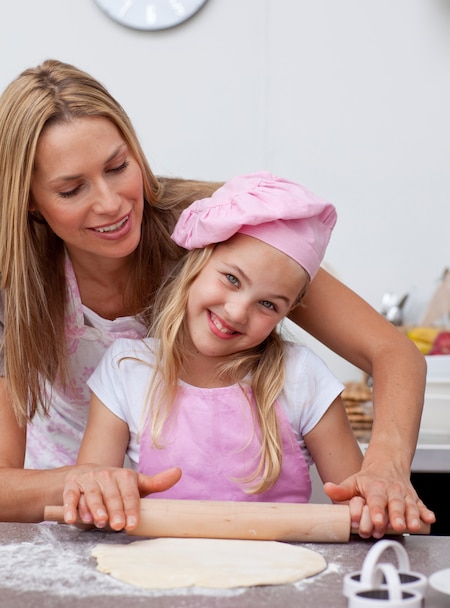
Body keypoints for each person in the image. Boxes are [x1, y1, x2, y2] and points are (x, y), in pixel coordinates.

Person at [0, 59, 434, 537]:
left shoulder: (219, 236)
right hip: (79, 526)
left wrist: (385, 468)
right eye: (71, 189)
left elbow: (394, 353)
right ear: (29, 201)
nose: (110, 202)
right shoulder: (13, 287)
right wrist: (82, 482)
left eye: (118, 166)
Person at [64, 172, 365, 529]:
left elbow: (358, 509)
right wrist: (98, 494)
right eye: (232, 279)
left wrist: (376, 504)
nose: (237, 312)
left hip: (274, 575)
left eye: (268, 304)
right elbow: (88, 508)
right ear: (198, 260)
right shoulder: (127, 369)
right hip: (161, 576)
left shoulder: (302, 377)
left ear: (287, 313)